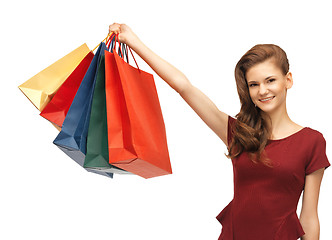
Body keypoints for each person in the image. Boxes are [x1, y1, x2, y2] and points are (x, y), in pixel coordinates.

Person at [108, 23, 330, 240]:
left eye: (270, 80)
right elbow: (183, 87)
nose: (263, 90)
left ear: (287, 80)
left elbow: (309, 217)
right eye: (253, 84)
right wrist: (133, 41)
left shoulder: (312, 141)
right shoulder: (239, 134)